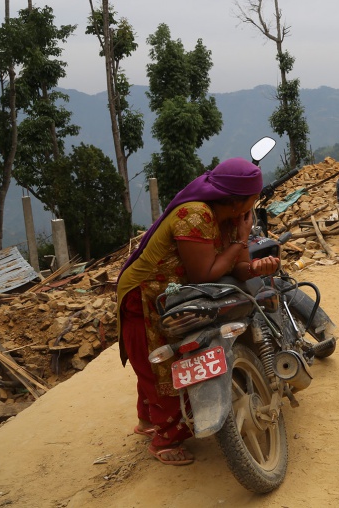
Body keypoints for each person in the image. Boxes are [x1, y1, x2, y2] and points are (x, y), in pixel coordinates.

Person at [117, 158, 282, 466]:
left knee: (158, 363)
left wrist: (259, 266)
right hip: (147, 293)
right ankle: (164, 439)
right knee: (160, 364)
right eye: (253, 196)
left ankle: (147, 419)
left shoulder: (235, 217)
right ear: (236, 199)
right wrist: (241, 241)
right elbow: (204, 273)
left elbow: (240, 267)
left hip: (179, 291)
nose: (255, 202)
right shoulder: (195, 215)